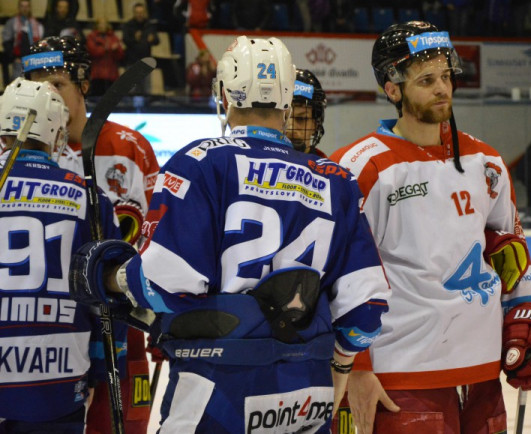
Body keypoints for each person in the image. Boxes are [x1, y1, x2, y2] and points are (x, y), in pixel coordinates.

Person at [68, 35, 391, 433]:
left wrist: (108, 277)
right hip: (307, 398)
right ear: (288, 96)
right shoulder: (336, 181)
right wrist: (339, 368)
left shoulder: (202, 161)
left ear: (223, 93)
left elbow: (164, 282)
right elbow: (365, 315)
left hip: (218, 391)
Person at [330, 21, 531, 433]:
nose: (442, 88)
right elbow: (343, 272)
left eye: (446, 76)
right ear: (393, 88)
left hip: (482, 369)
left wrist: (528, 310)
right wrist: (357, 367)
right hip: (403, 373)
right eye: (427, 79)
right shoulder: (362, 165)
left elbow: (509, 247)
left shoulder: (485, 162)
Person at [23, 34, 160, 434]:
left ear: (83, 84)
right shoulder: (15, 154)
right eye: (36, 85)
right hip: (46, 326)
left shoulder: (129, 147)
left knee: (123, 427)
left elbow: (156, 235)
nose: (46, 95)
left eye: (58, 84)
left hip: (123, 322)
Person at [0, 78, 119, 433]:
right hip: (60, 370)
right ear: (57, 134)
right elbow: (106, 295)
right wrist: (103, 368)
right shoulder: (88, 196)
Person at [286, 68, 328, 156]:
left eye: (301, 119)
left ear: (315, 124)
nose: (290, 128)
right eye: (284, 118)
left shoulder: (327, 169)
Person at [122, 2, 159, 94]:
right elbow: (125, 40)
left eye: (141, 12)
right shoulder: (128, 25)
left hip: (146, 62)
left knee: (146, 90)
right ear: (134, 13)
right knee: (131, 90)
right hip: (132, 62)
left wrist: (153, 39)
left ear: (144, 13)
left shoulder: (149, 25)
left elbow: (157, 41)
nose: (139, 14)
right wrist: (134, 39)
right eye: (137, 12)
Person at [2, 0, 45, 81]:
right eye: (22, 6)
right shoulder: (12, 23)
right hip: (18, 59)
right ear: (19, 8)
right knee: (18, 81)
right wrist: (14, 57)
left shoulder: (37, 24)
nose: (24, 9)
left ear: (30, 8)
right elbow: (6, 42)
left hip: (34, 59)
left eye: (27, 6)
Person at [86, 17, 125, 97]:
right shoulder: (91, 37)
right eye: (100, 24)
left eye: (104, 24)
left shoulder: (113, 37)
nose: (102, 26)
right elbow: (93, 51)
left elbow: (120, 55)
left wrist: (115, 50)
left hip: (111, 74)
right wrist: (109, 48)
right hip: (97, 74)